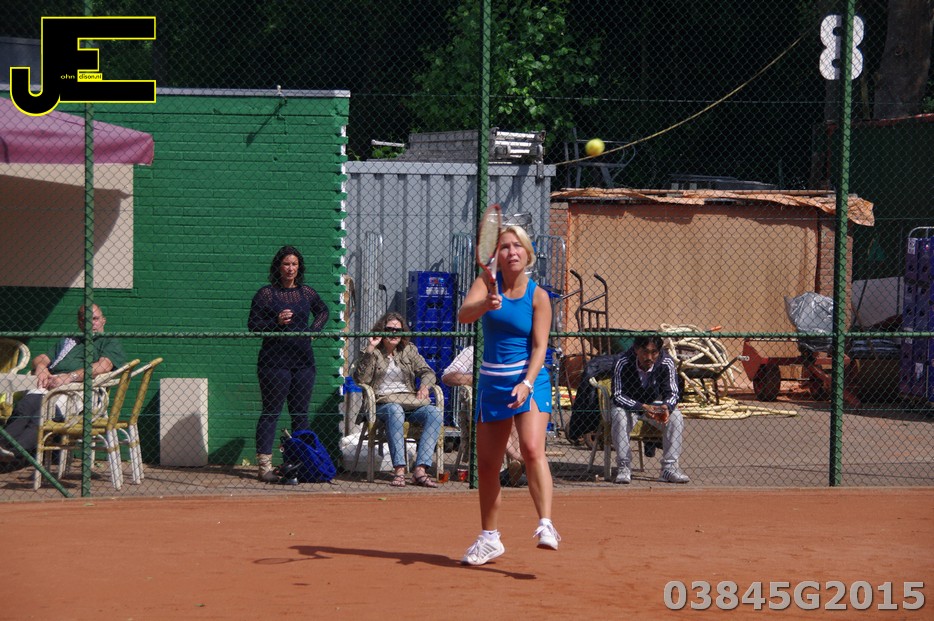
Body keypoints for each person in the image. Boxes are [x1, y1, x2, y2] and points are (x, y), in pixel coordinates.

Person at [456, 222, 559, 566]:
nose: (511, 252)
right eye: (504, 247)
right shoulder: (486, 283)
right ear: (496, 255)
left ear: (528, 254)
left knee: (530, 448)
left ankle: (546, 524)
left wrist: (526, 383)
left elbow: (540, 347)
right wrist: (486, 304)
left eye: (517, 246)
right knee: (488, 465)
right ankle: (489, 538)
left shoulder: (539, 296)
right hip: (493, 383)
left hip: (529, 380)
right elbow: (464, 315)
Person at [0, 304, 126, 464]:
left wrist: (70, 377)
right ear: (79, 322)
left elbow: (103, 366)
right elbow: (41, 358)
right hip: (51, 384)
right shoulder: (70, 340)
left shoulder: (108, 341)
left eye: (94, 319)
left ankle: (15, 452)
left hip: (80, 390)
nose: (90, 323)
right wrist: (41, 367)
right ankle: (3, 447)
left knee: (42, 415)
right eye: (85, 320)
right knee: (24, 406)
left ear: (103, 320)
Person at [248, 245, 330, 482]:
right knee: (271, 412)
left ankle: (301, 464)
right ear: (278, 267)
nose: (290, 268)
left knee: (300, 414)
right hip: (273, 363)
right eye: (286, 264)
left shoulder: (306, 293)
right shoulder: (266, 294)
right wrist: (276, 322)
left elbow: (323, 311)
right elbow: (253, 325)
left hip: (303, 362)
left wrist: (313, 331)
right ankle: (264, 467)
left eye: (294, 264)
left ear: (299, 267)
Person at [352, 311, 443, 488]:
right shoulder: (372, 351)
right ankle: (399, 470)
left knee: (434, 413)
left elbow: (428, 372)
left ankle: (420, 470)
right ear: (381, 330)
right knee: (395, 410)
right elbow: (361, 379)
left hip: (409, 402)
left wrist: (424, 385)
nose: (394, 334)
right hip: (381, 404)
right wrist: (370, 349)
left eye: (398, 330)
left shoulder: (409, 350)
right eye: (389, 330)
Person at [610, 335, 690, 484]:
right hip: (629, 406)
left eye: (654, 352)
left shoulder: (666, 362)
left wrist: (666, 406)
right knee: (619, 415)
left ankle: (669, 469)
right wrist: (641, 407)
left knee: (676, 417)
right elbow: (617, 395)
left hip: (654, 405)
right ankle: (624, 467)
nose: (649, 357)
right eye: (645, 352)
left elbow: (673, 393)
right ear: (636, 349)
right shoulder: (622, 361)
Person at [441, 345, 525, 487]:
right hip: (482, 402)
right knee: (501, 416)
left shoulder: (510, 348)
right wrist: (479, 378)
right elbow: (447, 376)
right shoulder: (472, 351)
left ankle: (515, 465)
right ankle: (518, 461)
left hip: (508, 399)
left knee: (515, 411)